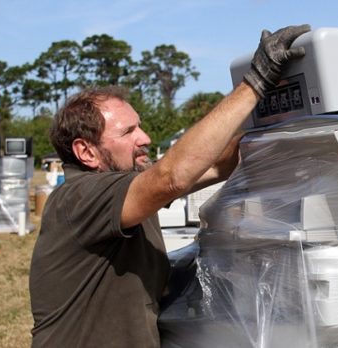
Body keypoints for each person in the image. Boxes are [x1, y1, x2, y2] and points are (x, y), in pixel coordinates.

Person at [29, 24, 311, 347]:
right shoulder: (78, 198)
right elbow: (171, 176)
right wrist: (256, 82)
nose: (145, 138)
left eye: (141, 127)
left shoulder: (128, 192)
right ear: (86, 152)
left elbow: (217, 163)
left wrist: (285, 112)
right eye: (128, 132)